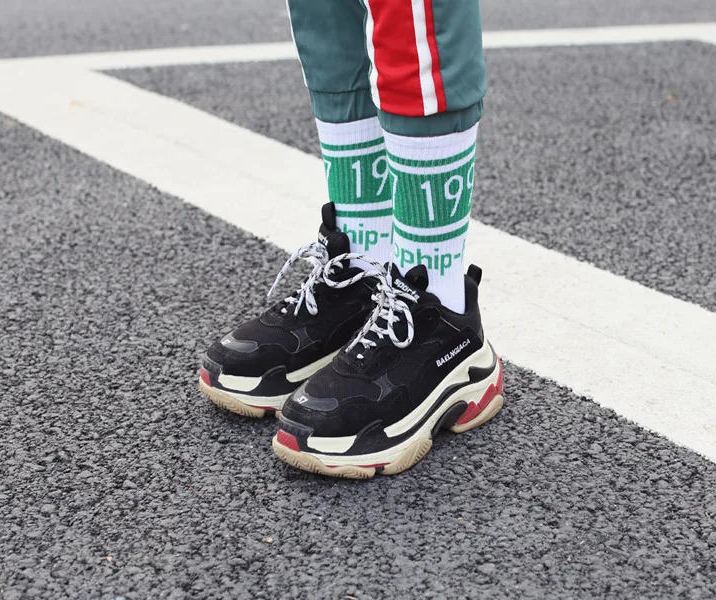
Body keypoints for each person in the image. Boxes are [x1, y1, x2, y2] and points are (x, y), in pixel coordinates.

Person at [198, 0, 504, 478]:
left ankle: (441, 312)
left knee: (411, 14)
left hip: (439, 314)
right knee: (325, 14)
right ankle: (365, 276)